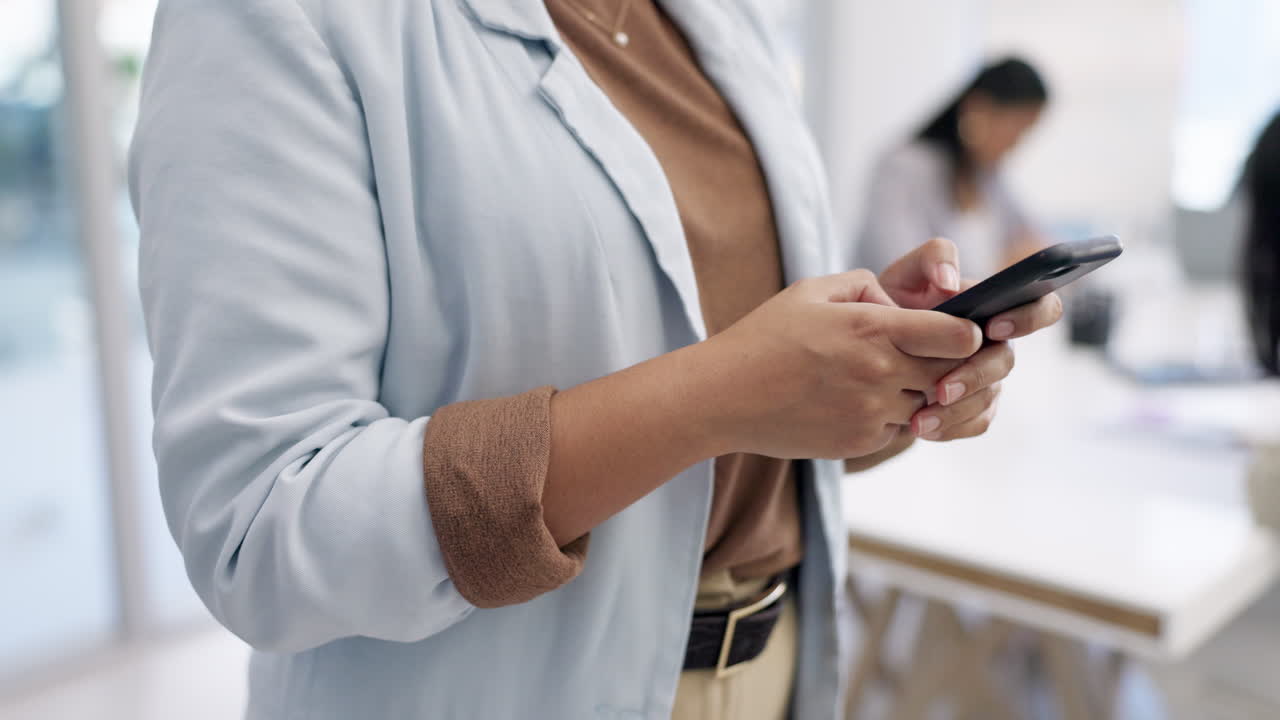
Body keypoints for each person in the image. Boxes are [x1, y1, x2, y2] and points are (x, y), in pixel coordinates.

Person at [129, 2, 1061, 718]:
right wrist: (720, 393)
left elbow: (749, 434)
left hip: (773, 673)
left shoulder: (717, 21)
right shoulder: (274, 18)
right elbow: (261, 526)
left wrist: (881, 375)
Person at [858, 57, 1050, 280]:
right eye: (1016, 127)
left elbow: (1038, 243)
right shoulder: (903, 169)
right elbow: (904, 273)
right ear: (978, 109)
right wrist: (1003, 273)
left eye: (1026, 132)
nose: (1017, 143)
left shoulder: (989, 180)